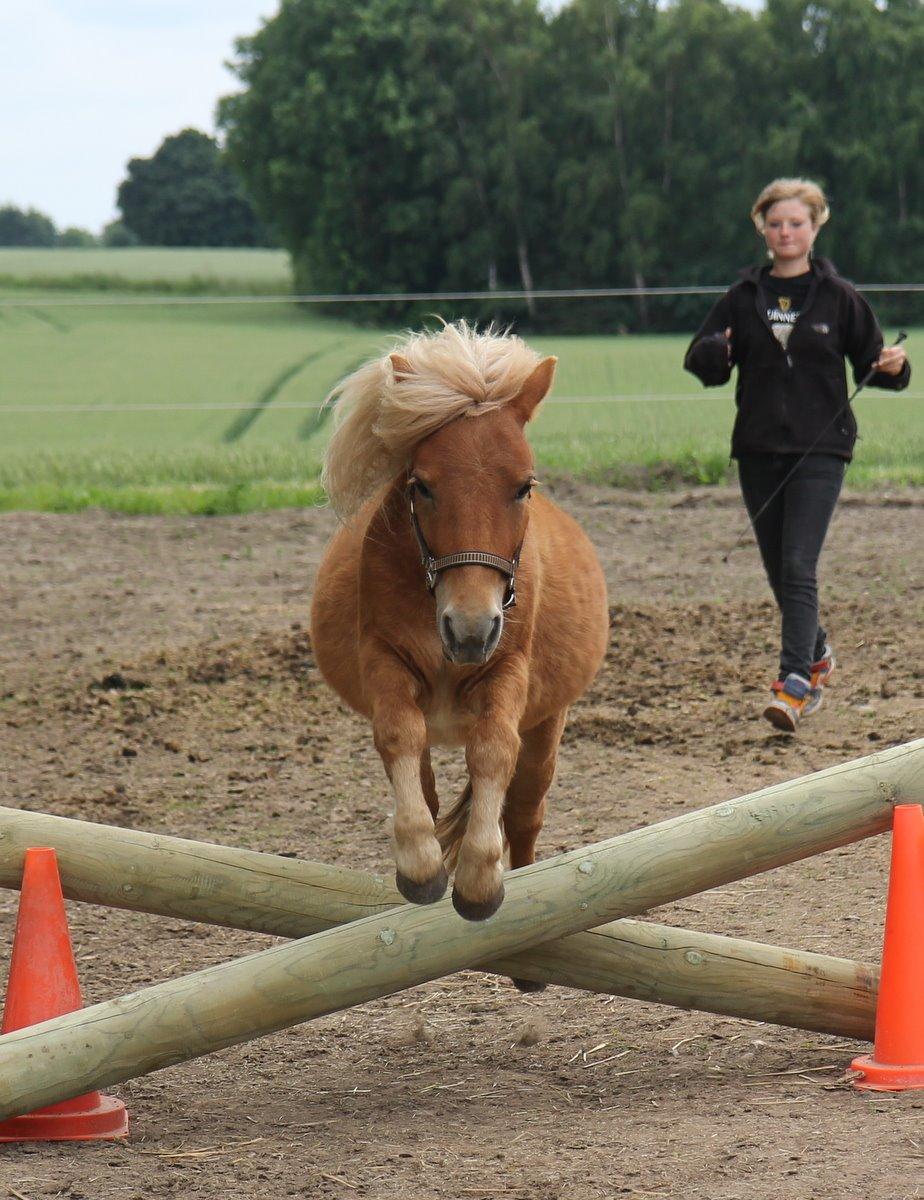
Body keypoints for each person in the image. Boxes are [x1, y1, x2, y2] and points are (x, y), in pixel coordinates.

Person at [684, 177, 910, 732]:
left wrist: (894, 367)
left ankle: (793, 684)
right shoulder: (740, 298)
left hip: (822, 450)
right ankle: (819, 653)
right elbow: (702, 362)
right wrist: (716, 350)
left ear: (815, 227)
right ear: (763, 228)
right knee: (777, 573)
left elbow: (875, 364)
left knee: (797, 565)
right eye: (776, 222)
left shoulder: (840, 298)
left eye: (797, 223)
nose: (786, 231)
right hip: (758, 449)